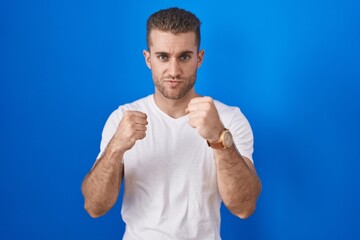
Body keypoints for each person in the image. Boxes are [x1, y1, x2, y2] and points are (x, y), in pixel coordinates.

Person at [81, 7, 261, 240]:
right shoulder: (122, 118)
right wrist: (116, 147)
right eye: (163, 57)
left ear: (199, 58)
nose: (174, 71)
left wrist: (219, 138)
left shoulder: (228, 119)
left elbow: (244, 207)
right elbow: (94, 207)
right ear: (148, 59)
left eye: (184, 57)